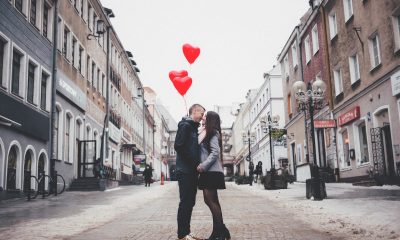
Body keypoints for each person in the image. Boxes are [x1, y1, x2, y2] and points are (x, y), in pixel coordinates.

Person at [197, 111, 231, 240]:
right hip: (210, 172)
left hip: (211, 171)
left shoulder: (213, 133)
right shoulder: (205, 132)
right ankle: (220, 231)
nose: (202, 117)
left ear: (210, 119)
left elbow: (215, 152)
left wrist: (203, 165)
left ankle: (220, 231)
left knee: (210, 200)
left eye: (205, 116)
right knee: (212, 201)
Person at [174, 104, 205, 240]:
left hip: (191, 171)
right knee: (185, 201)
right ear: (195, 111)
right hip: (185, 170)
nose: (203, 116)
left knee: (190, 202)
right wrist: (194, 163)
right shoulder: (185, 126)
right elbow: (179, 146)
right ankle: (182, 235)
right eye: (202, 113)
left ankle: (187, 232)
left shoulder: (192, 128)